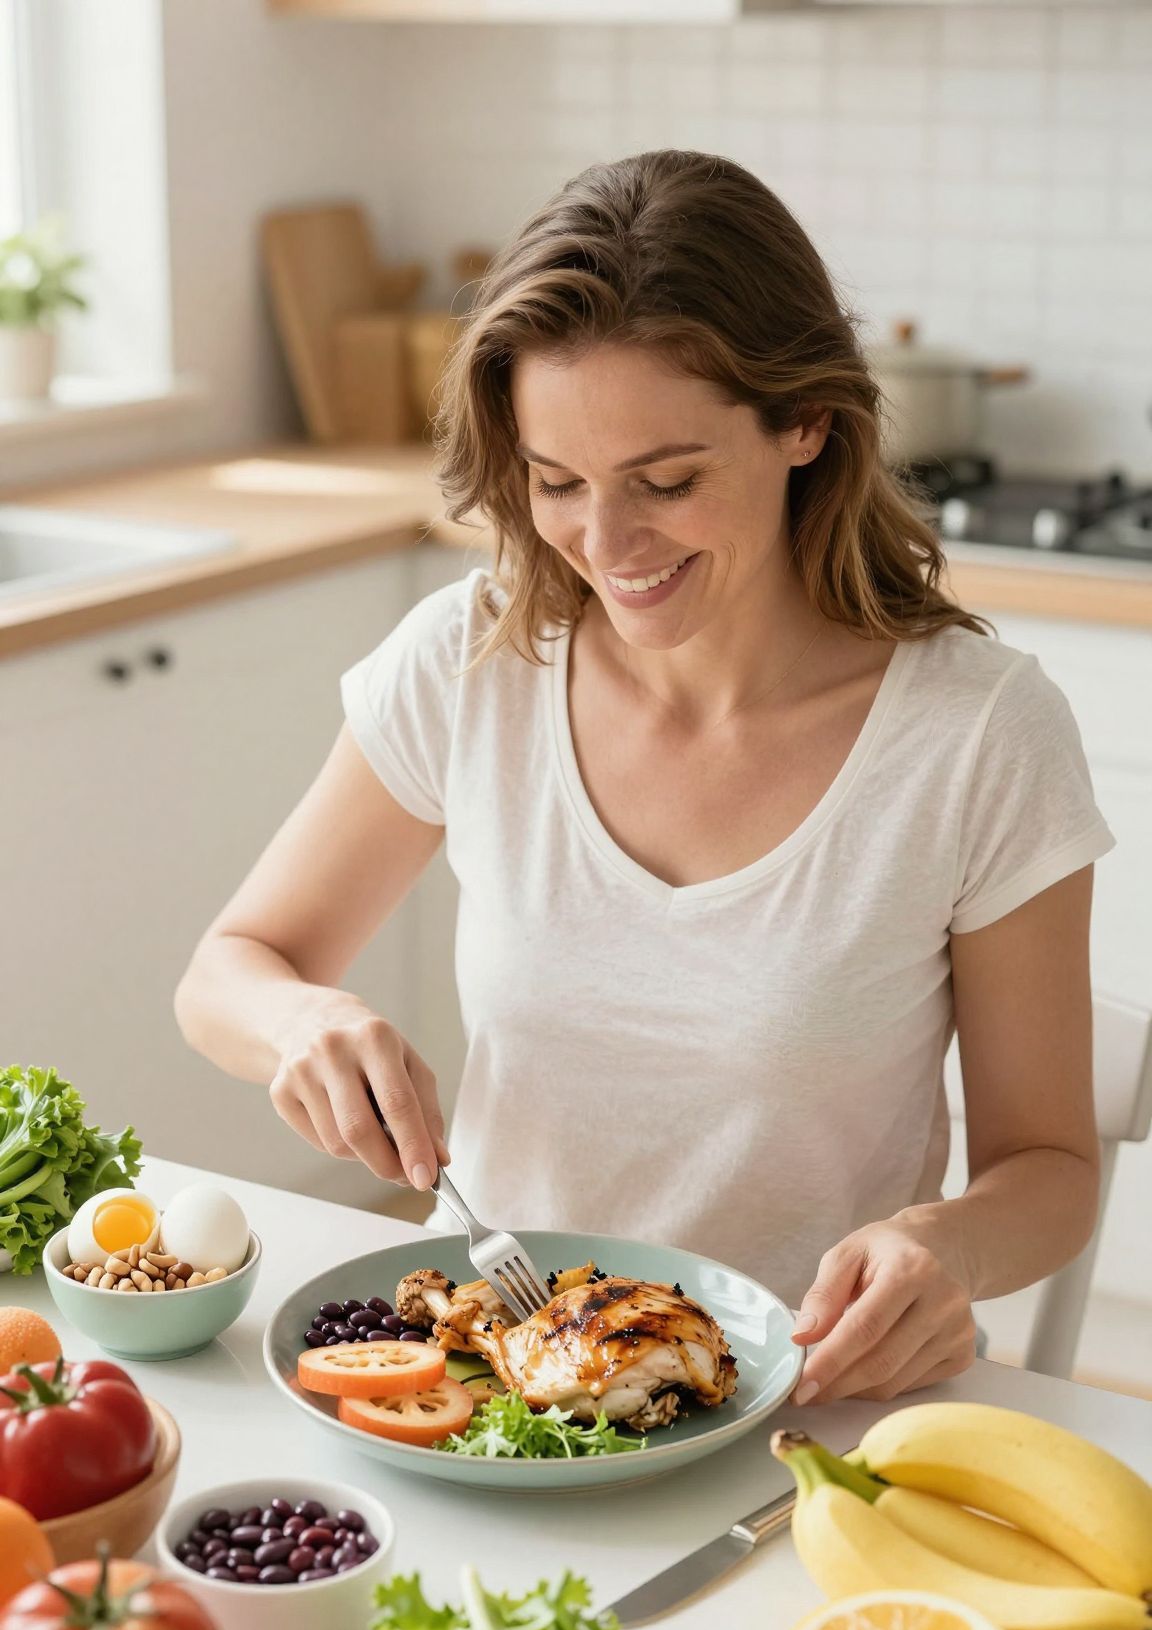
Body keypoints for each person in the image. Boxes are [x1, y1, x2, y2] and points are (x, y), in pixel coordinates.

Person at [175, 150, 1114, 1408]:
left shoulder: (980, 735)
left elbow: (1048, 1165)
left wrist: (948, 1242)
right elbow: (229, 967)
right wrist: (304, 1021)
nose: (607, 548)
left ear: (805, 422)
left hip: (820, 1406)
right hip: (510, 1388)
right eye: (556, 483)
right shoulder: (477, 657)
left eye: (667, 482)